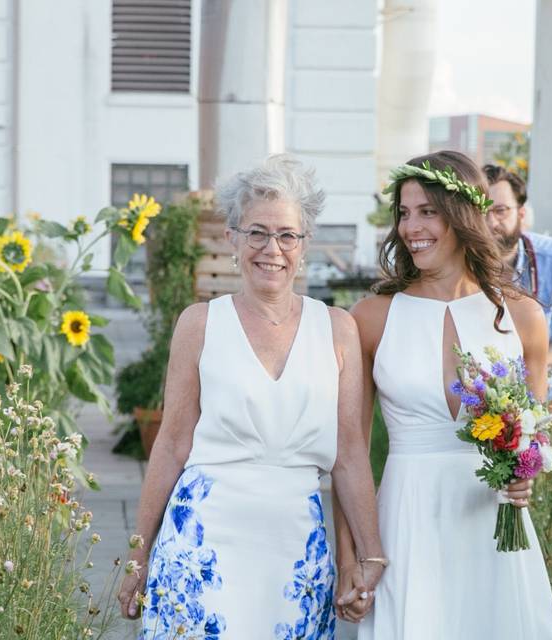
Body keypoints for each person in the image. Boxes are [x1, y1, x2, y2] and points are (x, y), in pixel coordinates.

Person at [118, 155, 385, 639]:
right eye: (256, 232)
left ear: (305, 246)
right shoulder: (198, 324)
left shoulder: (338, 330)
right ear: (232, 239)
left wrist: (368, 556)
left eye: (287, 235)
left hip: (295, 545)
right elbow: (172, 443)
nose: (272, 249)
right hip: (201, 541)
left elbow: (350, 454)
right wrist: (139, 554)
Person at [335, 151, 552, 638]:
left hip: (493, 524)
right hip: (408, 518)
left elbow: (534, 435)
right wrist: (350, 556)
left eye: (426, 211)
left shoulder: (522, 316)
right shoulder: (372, 318)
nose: (409, 226)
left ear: (463, 215)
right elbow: (348, 452)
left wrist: (526, 474)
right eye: (403, 212)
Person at [484, 164, 552, 492]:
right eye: (482, 212)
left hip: (548, 391)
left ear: (521, 213)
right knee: (493, 491)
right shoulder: (459, 264)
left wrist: (533, 364)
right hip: (481, 400)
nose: (491, 222)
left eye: (501, 211)